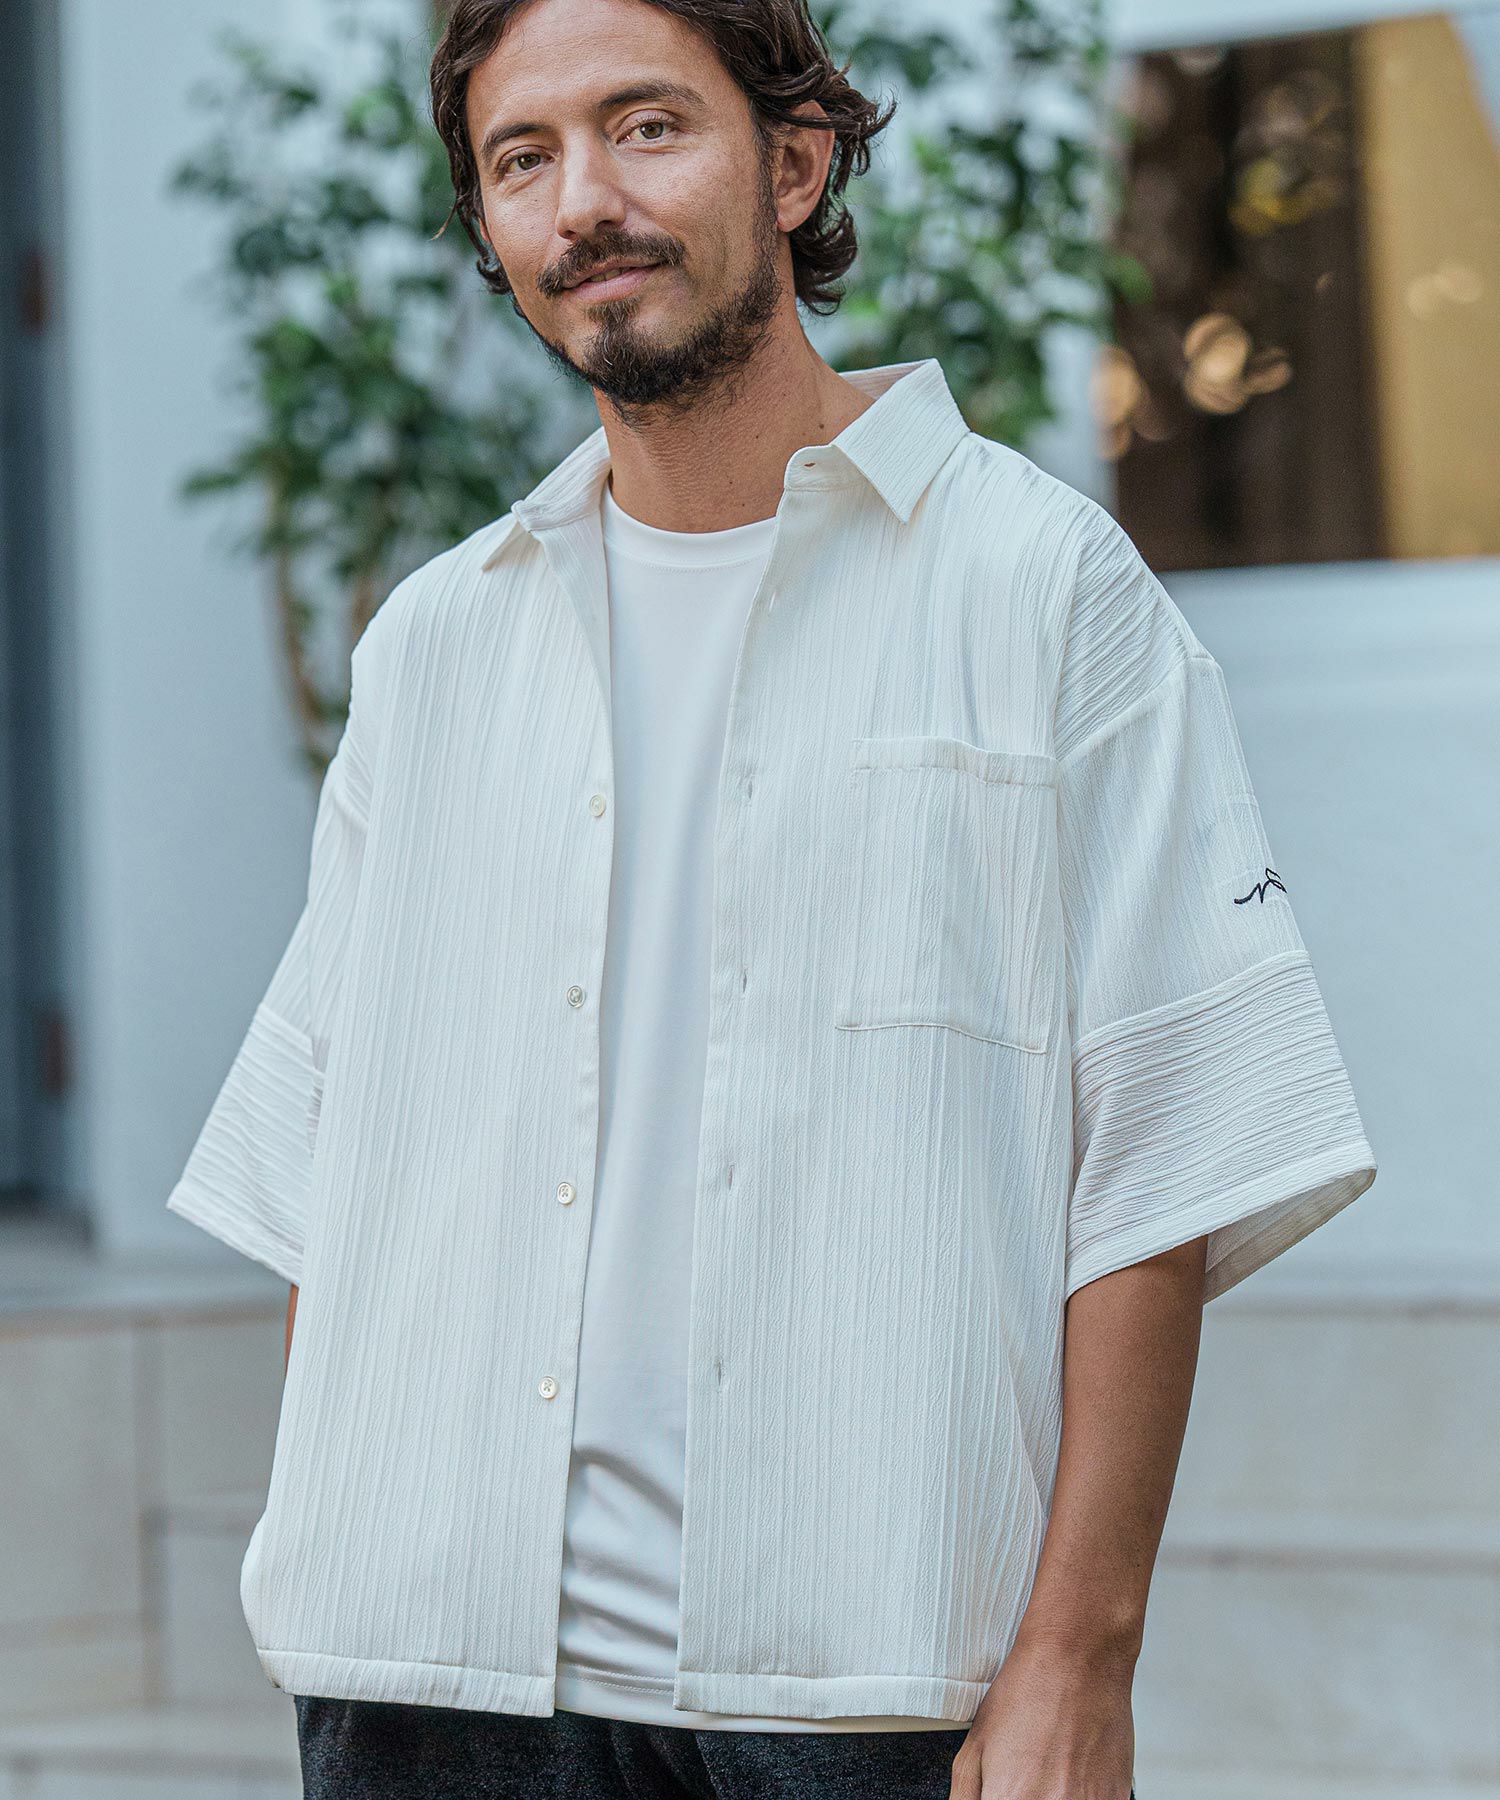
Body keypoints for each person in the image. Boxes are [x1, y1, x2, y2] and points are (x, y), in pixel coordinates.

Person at [165, 0, 1378, 1794]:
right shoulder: (436, 647)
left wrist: (1080, 1654)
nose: (586, 199)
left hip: (855, 1688)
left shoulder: (1042, 592)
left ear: (796, 163)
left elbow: (1162, 1156)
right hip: (428, 1686)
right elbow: (332, 1173)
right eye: (523, 157)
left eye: (647, 126)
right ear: (490, 226)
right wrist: (348, 1563)